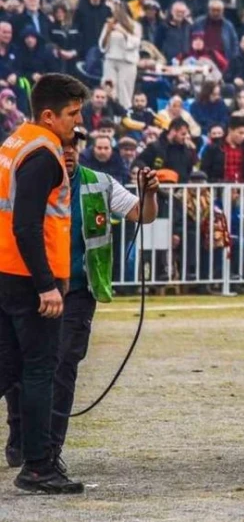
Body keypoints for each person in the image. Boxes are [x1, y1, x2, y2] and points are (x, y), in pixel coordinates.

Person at [5, 128, 158, 481]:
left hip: (77, 290)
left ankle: (48, 452)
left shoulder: (98, 183)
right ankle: (21, 433)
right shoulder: (31, 177)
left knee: (63, 366)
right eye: (63, 146)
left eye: (74, 146)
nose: (69, 152)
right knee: (21, 366)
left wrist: (148, 194)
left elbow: (142, 215)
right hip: (33, 286)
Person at [0, 74, 86, 493]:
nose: (78, 122)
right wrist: (46, 285)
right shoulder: (44, 154)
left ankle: (35, 461)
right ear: (49, 115)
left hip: (6, 272)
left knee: (7, 367)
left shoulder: (16, 141)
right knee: (38, 371)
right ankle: (37, 467)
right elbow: (28, 225)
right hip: (27, 278)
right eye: (73, 114)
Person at [99, 0, 142, 114]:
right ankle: (110, 113)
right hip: (111, 60)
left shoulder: (135, 26)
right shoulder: (109, 23)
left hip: (127, 62)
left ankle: (125, 114)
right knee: (109, 88)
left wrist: (123, 32)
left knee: (125, 91)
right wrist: (108, 30)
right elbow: (102, 45)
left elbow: (135, 43)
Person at [200, 117, 244, 184]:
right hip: (219, 190)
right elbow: (204, 172)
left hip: (243, 190)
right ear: (230, 130)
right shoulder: (214, 148)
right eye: (241, 133)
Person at [135, 118, 197, 183]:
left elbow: (190, 170)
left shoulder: (186, 151)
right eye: (183, 134)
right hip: (157, 189)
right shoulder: (155, 147)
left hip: (180, 190)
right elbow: (139, 162)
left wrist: (193, 151)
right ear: (173, 131)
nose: (185, 137)